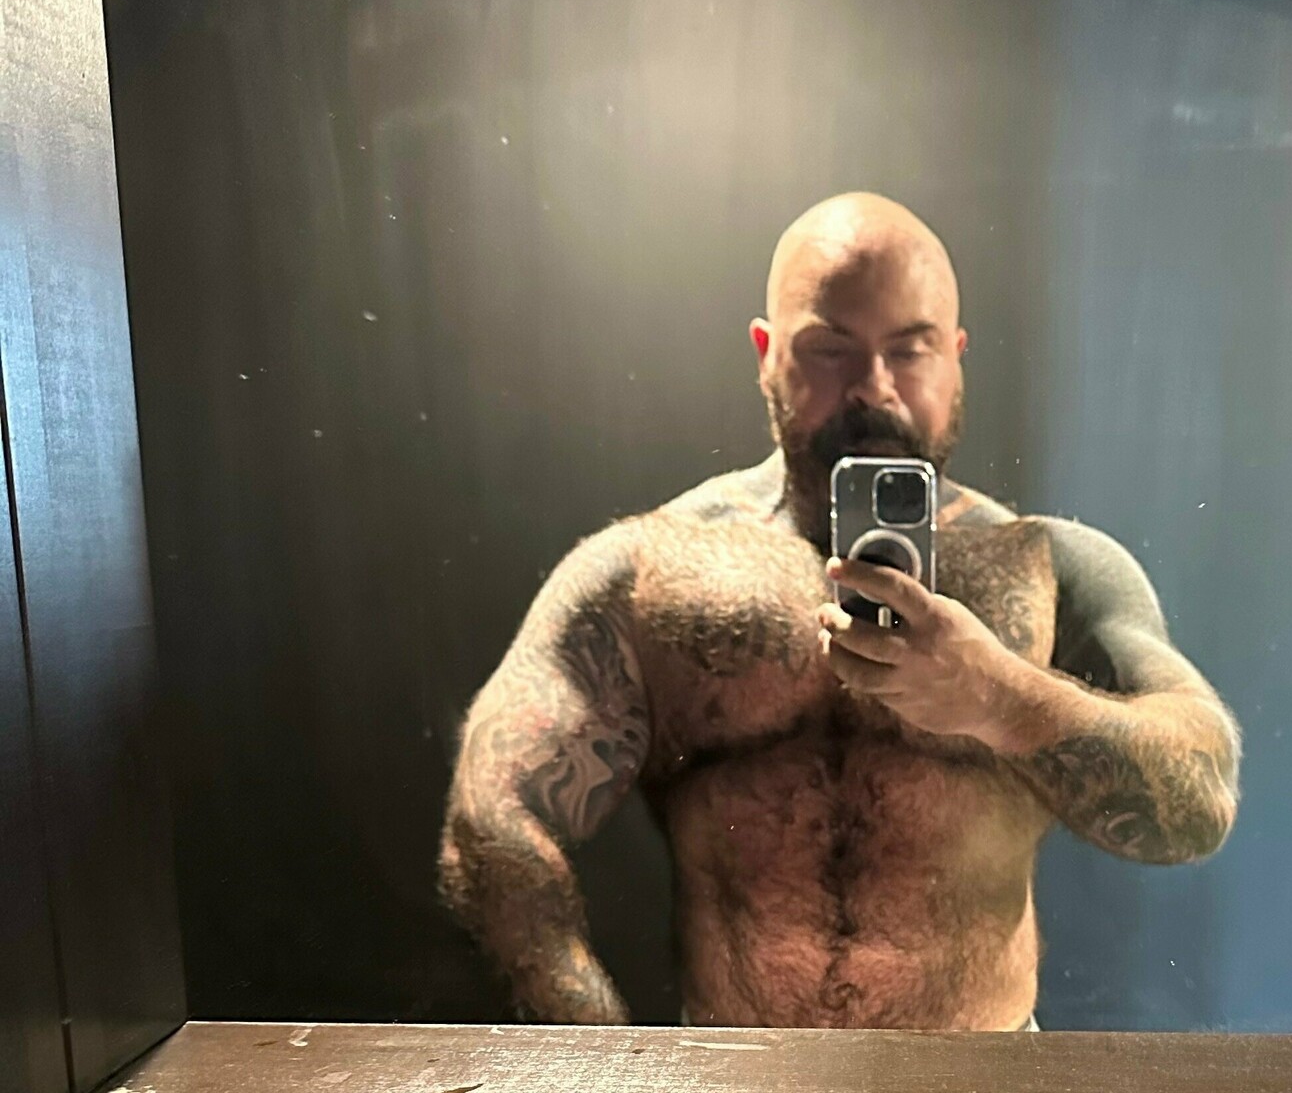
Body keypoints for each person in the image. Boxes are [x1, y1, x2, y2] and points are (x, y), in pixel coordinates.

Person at [439, 192, 1240, 1028]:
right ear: (766, 353)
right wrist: (606, 1067)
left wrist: (999, 699)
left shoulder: (1047, 568)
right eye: (829, 349)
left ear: (956, 357)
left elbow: (1199, 800)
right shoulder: (650, 570)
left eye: (911, 349)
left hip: (985, 1088)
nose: (873, 389)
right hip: (737, 1090)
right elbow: (492, 819)